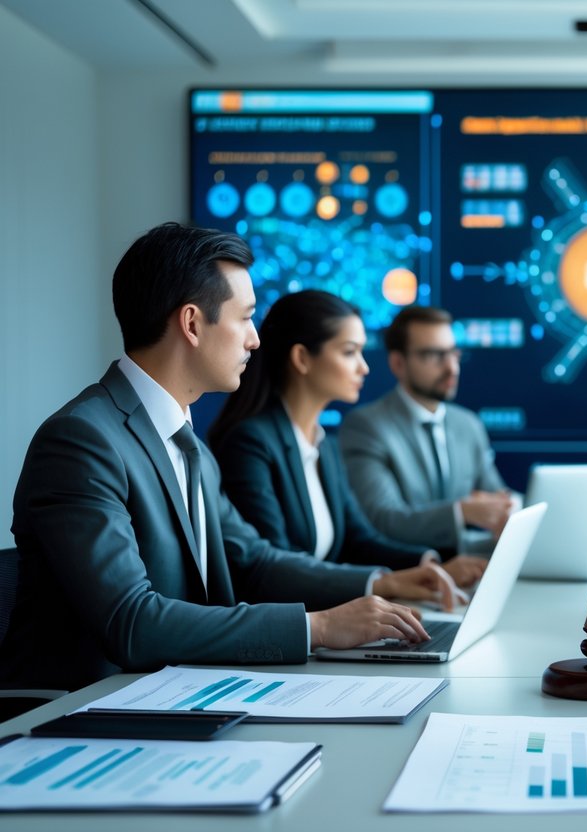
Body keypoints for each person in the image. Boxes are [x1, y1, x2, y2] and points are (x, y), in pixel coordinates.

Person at [0, 223, 456, 692]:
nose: (255, 340)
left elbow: (254, 561)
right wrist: (315, 629)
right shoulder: (82, 441)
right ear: (193, 323)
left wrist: (378, 585)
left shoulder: (189, 445)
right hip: (78, 717)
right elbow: (131, 621)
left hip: (177, 697)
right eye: (245, 318)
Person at [207, 290, 487, 587]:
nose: (363, 367)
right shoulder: (250, 444)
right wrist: (378, 584)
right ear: (302, 358)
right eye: (349, 352)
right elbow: (271, 567)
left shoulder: (324, 446)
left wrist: (430, 564)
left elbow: (358, 539)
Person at [341, 306, 511, 554]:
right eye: (435, 355)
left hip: (467, 571)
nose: (452, 368)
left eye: (454, 354)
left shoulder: (468, 425)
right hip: (401, 578)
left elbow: (496, 497)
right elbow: (381, 519)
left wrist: (512, 508)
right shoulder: (366, 426)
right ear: (398, 363)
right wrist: (461, 512)